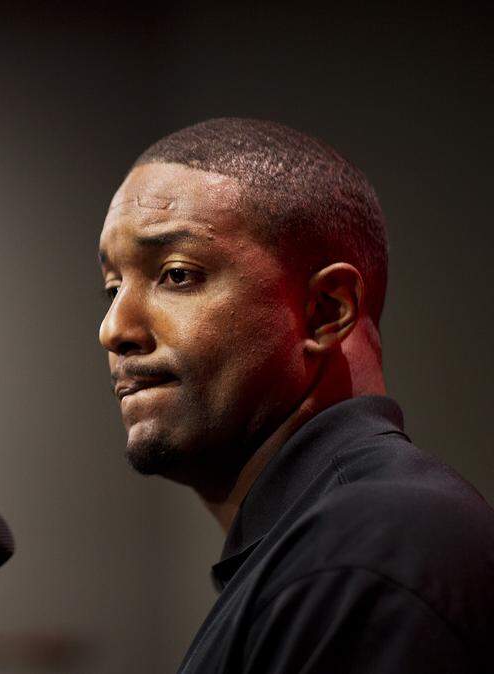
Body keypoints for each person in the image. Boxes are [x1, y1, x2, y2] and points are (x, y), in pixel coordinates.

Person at [98, 118, 494, 673]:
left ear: (327, 310)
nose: (113, 329)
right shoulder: (323, 550)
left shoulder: (372, 550)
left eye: (177, 275)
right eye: (113, 288)